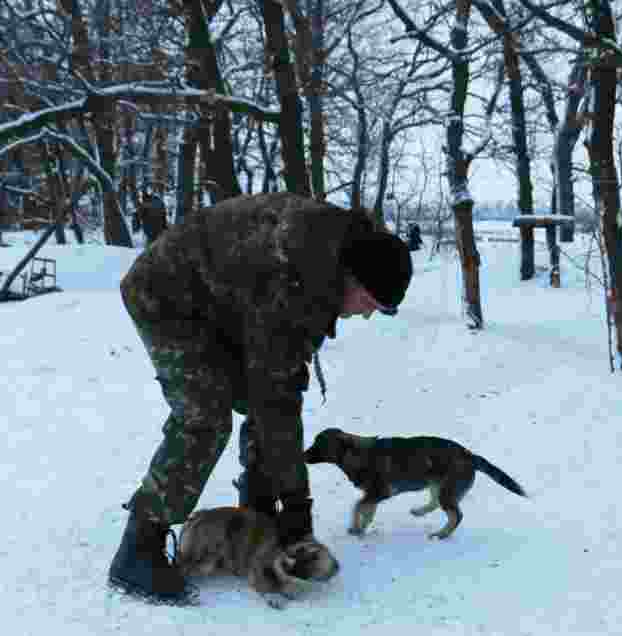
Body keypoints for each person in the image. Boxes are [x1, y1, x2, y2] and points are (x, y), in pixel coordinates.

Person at [108, 191, 413, 603]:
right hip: (166, 296)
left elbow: (276, 385)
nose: (366, 314)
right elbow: (277, 398)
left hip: (222, 303)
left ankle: (257, 508)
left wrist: (284, 502)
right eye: (370, 303)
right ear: (353, 280)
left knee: (264, 394)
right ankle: (138, 549)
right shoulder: (295, 276)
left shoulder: (335, 255)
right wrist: (297, 503)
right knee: (205, 416)